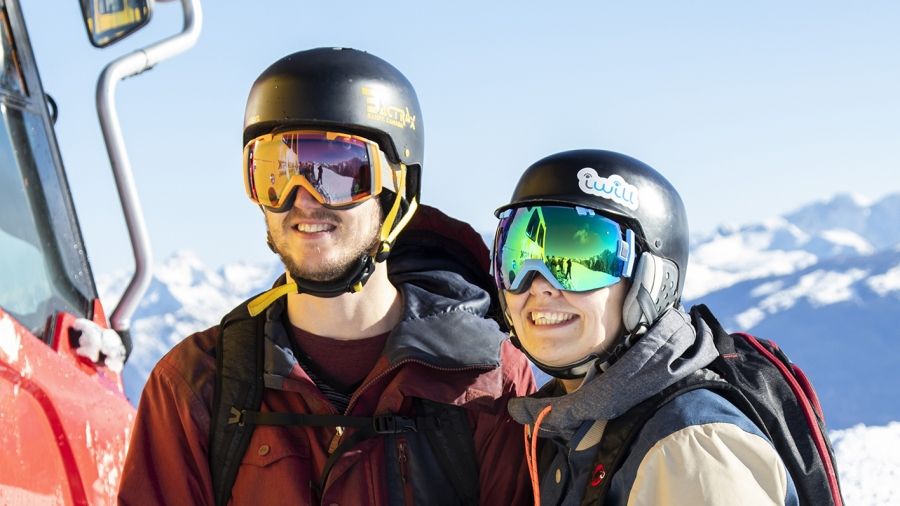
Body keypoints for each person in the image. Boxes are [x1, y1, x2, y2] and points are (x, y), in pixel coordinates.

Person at [119, 47, 535, 505]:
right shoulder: (199, 385)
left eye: (335, 172)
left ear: (396, 190)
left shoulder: (485, 381)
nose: (302, 199)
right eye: (276, 173)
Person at [492, 149, 798, 505]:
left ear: (652, 280)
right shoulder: (564, 429)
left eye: (578, 262)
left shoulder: (689, 450)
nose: (539, 285)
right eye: (519, 258)